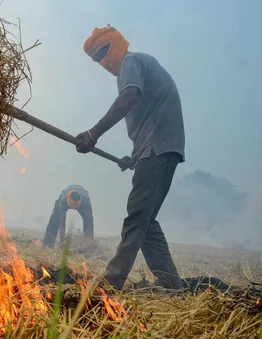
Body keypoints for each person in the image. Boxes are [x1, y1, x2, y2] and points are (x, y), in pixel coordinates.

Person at [75, 25, 185, 290]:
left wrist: (94, 133)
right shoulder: (137, 64)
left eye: (103, 51)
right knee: (146, 221)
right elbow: (150, 118)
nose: (103, 60)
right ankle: (171, 284)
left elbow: (128, 97)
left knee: (137, 216)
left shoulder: (131, 61)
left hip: (157, 149)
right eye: (97, 57)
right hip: (156, 150)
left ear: (116, 43)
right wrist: (133, 158)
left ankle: (111, 283)